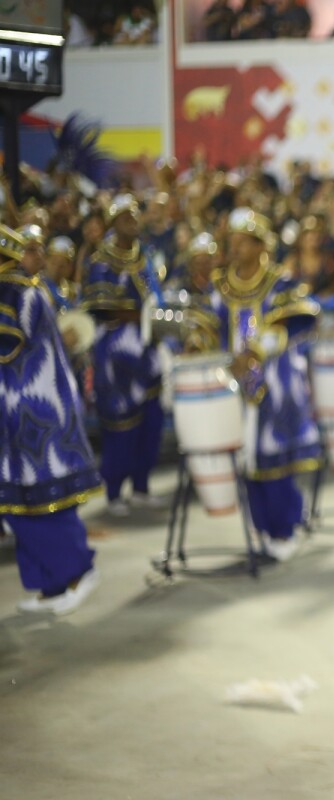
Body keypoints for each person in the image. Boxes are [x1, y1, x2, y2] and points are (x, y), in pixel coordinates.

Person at [191, 209, 322, 562]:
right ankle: (262, 529)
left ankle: (285, 528)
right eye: (231, 242)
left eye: (242, 242)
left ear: (260, 245)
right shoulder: (220, 285)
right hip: (230, 385)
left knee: (272, 460)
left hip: (275, 385)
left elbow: (299, 321)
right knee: (246, 463)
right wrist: (197, 344)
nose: (234, 248)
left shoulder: (280, 283)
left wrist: (256, 350)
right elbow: (205, 326)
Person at [0, 225, 101, 615]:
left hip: (38, 418)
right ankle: (50, 584)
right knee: (18, 505)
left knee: (47, 504)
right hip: (18, 420)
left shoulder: (19, 295)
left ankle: (79, 572)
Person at [82, 195, 166, 517]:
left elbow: (155, 295)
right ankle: (115, 492)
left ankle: (142, 487)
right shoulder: (101, 260)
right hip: (116, 354)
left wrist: (154, 320)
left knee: (151, 419)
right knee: (120, 424)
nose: (133, 222)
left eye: (135, 216)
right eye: (126, 217)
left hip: (148, 348)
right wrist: (138, 316)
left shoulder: (144, 255)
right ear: (113, 222)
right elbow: (101, 307)